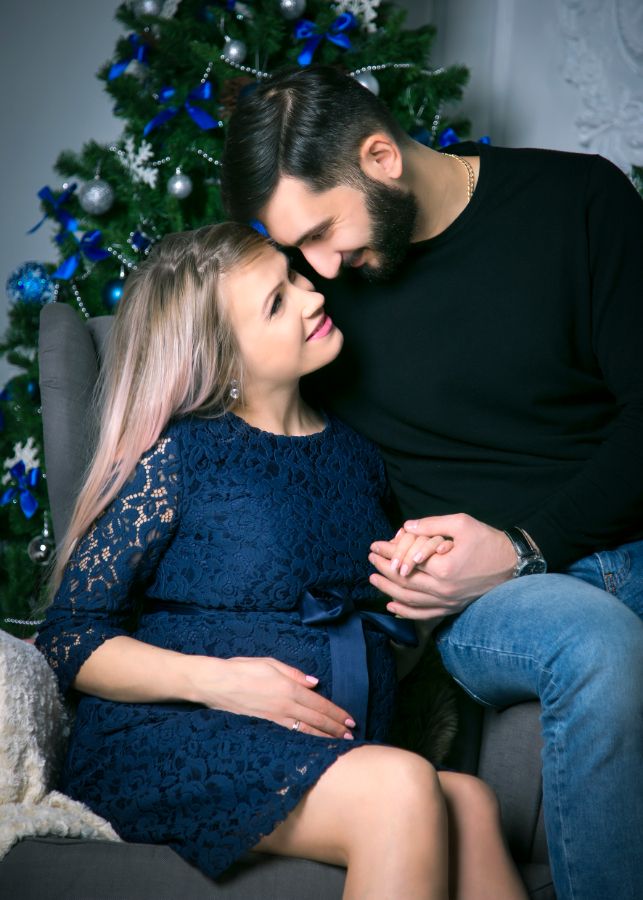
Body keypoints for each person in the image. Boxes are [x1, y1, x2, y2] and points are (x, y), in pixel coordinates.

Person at [220, 65, 643, 900]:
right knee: (599, 649)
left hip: (598, 542)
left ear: (381, 157)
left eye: (321, 232)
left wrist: (524, 545)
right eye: (295, 247)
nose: (318, 269)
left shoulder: (579, 201)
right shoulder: (316, 304)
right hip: (483, 601)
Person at [36, 222, 527, 899]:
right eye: (276, 303)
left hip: (323, 742)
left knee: (469, 803)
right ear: (223, 360)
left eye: (294, 275)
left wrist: (419, 585)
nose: (312, 296)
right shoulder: (180, 456)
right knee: (397, 786)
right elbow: (69, 636)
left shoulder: (356, 456)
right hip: (173, 736)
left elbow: (383, 637)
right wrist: (222, 683)